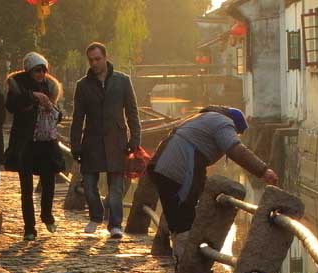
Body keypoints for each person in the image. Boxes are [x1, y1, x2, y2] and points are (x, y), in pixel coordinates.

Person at [147, 106, 279, 237]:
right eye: (237, 132)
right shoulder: (224, 123)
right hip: (182, 165)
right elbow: (235, 149)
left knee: (174, 212)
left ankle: (176, 247)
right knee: (184, 212)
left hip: (161, 163)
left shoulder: (204, 117)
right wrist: (263, 170)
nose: (235, 135)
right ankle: (183, 252)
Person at [70, 42, 141, 239]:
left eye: (97, 59)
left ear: (105, 57)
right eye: (91, 60)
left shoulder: (122, 81)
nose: (94, 63)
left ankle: (116, 224)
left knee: (116, 187)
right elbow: (78, 118)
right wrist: (75, 144)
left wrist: (135, 138)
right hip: (91, 141)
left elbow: (132, 112)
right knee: (90, 187)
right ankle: (96, 215)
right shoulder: (82, 86)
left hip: (116, 140)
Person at [5, 52, 66, 241]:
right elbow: (11, 106)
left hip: (46, 144)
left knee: (49, 184)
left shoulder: (50, 87)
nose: (40, 74)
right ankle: (29, 228)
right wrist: (32, 97)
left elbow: (58, 116)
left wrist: (49, 107)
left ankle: (46, 215)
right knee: (26, 190)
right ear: (29, 71)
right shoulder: (17, 87)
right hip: (25, 144)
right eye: (37, 70)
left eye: (43, 70)